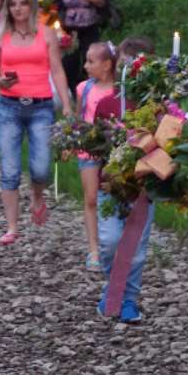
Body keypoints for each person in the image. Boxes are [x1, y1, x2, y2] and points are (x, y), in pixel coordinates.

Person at [0, 0, 73, 246]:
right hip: (9, 105)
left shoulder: (46, 34)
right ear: (7, 8)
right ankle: (12, 227)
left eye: (23, 3)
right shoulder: (0, 36)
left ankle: (37, 195)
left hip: (41, 105)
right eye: (13, 4)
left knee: (41, 166)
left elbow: (56, 70)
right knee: (10, 169)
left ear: (31, 6)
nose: (18, 8)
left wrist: (66, 103)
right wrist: (0, 80)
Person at [92, 37, 155, 324]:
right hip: (111, 185)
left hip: (142, 188)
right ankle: (112, 287)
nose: (128, 71)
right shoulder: (107, 104)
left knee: (136, 249)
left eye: (136, 66)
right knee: (109, 241)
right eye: (124, 65)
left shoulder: (155, 109)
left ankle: (128, 299)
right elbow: (95, 147)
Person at [74, 42, 120, 272]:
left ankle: (112, 241)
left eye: (91, 61)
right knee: (91, 198)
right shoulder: (84, 88)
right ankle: (94, 248)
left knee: (110, 197)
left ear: (107, 65)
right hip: (88, 150)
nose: (86, 66)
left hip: (112, 152)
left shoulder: (119, 91)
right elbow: (80, 117)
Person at [41, 0, 110, 95]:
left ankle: (91, 92)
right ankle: (73, 93)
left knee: (91, 60)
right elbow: (43, 1)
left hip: (90, 27)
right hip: (66, 29)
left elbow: (105, 3)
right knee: (68, 63)